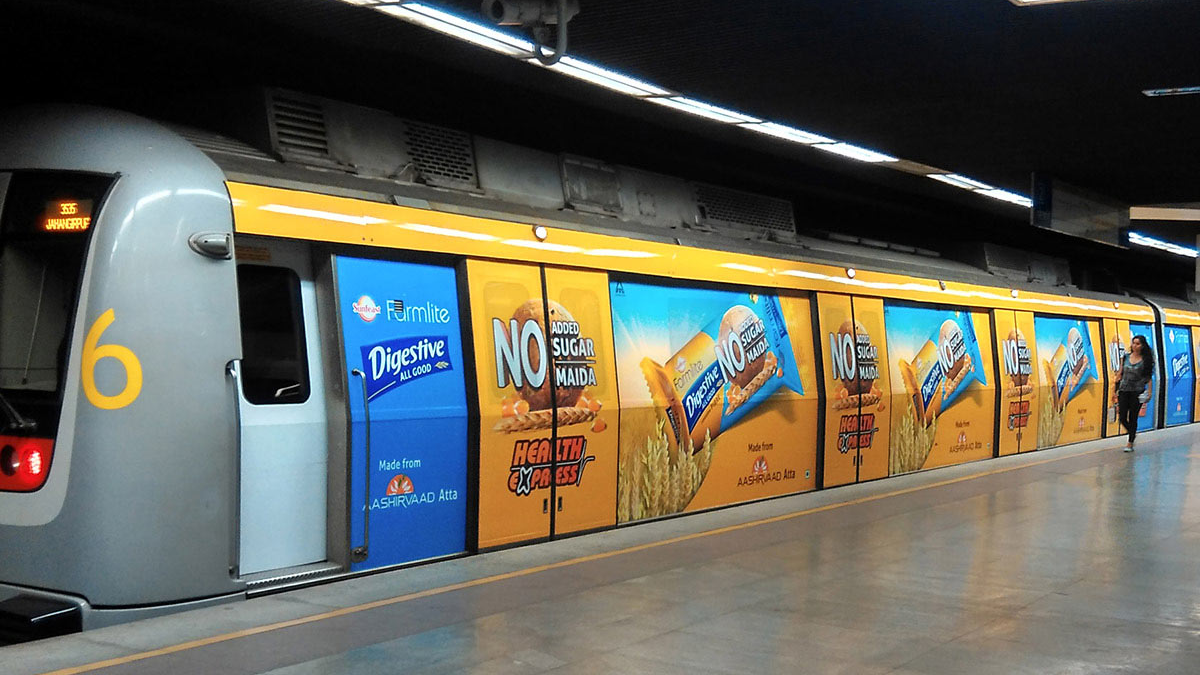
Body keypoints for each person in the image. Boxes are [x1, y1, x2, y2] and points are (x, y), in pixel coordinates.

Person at [1112, 334, 1155, 452]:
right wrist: (1115, 387)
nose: (1135, 346)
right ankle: (1132, 432)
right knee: (1122, 417)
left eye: (1138, 343)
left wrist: (1149, 393)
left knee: (1133, 417)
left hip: (1137, 392)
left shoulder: (1145, 360)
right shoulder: (1125, 357)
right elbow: (1120, 372)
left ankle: (1130, 442)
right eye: (1133, 343)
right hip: (1124, 390)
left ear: (1142, 346)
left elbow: (1148, 377)